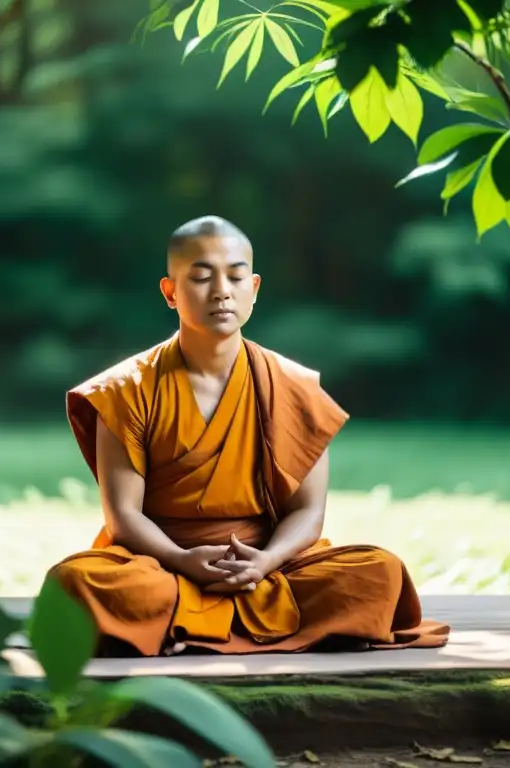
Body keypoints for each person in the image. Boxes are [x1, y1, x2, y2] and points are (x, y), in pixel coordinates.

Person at [49, 215, 450, 657]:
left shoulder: (293, 387)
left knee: (377, 571)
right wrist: (183, 560)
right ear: (170, 292)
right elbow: (123, 516)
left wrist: (266, 560)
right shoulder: (126, 389)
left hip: (267, 565)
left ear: (254, 290)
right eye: (201, 278)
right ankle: (235, 619)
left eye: (236, 277)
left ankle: (184, 626)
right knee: (78, 580)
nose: (222, 290)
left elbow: (309, 511)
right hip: (162, 563)